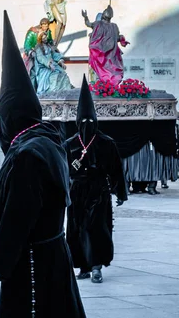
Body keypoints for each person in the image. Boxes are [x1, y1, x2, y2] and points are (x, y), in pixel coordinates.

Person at [0, 11, 85, 317]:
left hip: (32, 262)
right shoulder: (47, 140)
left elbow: (18, 215)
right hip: (52, 253)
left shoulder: (27, 154)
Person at [64, 76, 128, 283]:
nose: (86, 125)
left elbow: (116, 169)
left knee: (97, 228)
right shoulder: (70, 144)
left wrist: (120, 192)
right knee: (77, 229)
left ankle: (97, 266)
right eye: (83, 122)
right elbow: (63, 171)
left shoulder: (106, 143)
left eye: (90, 122)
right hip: (76, 192)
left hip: (98, 191)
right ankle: (83, 265)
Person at [82, 4, 129, 85]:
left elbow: (88, 23)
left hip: (101, 52)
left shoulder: (98, 24)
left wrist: (85, 16)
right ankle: (107, 85)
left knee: (104, 70)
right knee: (112, 70)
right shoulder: (114, 26)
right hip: (111, 54)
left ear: (103, 15)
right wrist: (122, 40)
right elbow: (117, 38)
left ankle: (105, 85)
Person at [23, 18, 53, 89]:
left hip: (44, 54)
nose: (46, 27)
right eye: (44, 25)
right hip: (32, 56)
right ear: (40, 25)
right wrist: (31, 52)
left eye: (47, 25)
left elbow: (50, 41)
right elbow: (27, 45)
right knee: (32, 73)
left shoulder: (48, 32)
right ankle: (32, 90)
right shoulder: (33, 33)